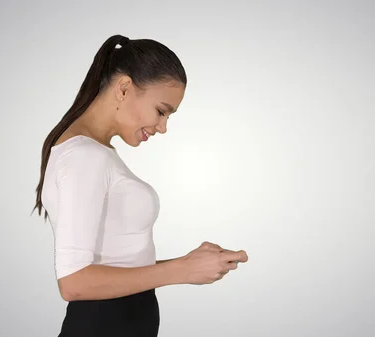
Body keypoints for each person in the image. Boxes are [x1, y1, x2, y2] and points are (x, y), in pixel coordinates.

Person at [32, 34, 249, 337]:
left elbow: (119, 265)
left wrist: (191, 263)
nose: (163, 127)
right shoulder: (83, 156)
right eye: (161, 111)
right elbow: (74, 283)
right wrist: (182, 270)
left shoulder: (96, 153)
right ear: (124, 88)